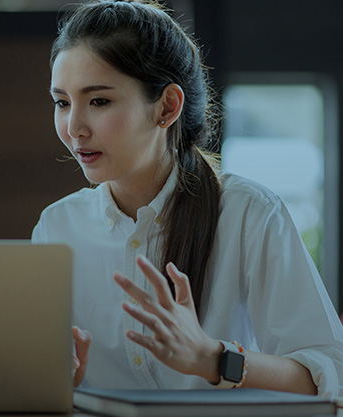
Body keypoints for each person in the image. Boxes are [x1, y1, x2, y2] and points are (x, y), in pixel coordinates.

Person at [33, 0, 343, 398]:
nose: (73, 127)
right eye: (62, 103)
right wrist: (54, 379)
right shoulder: (58, 227)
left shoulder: (249, 214)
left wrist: (214, 358)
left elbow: (331, 374)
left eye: (99, 102)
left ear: (167, 107)